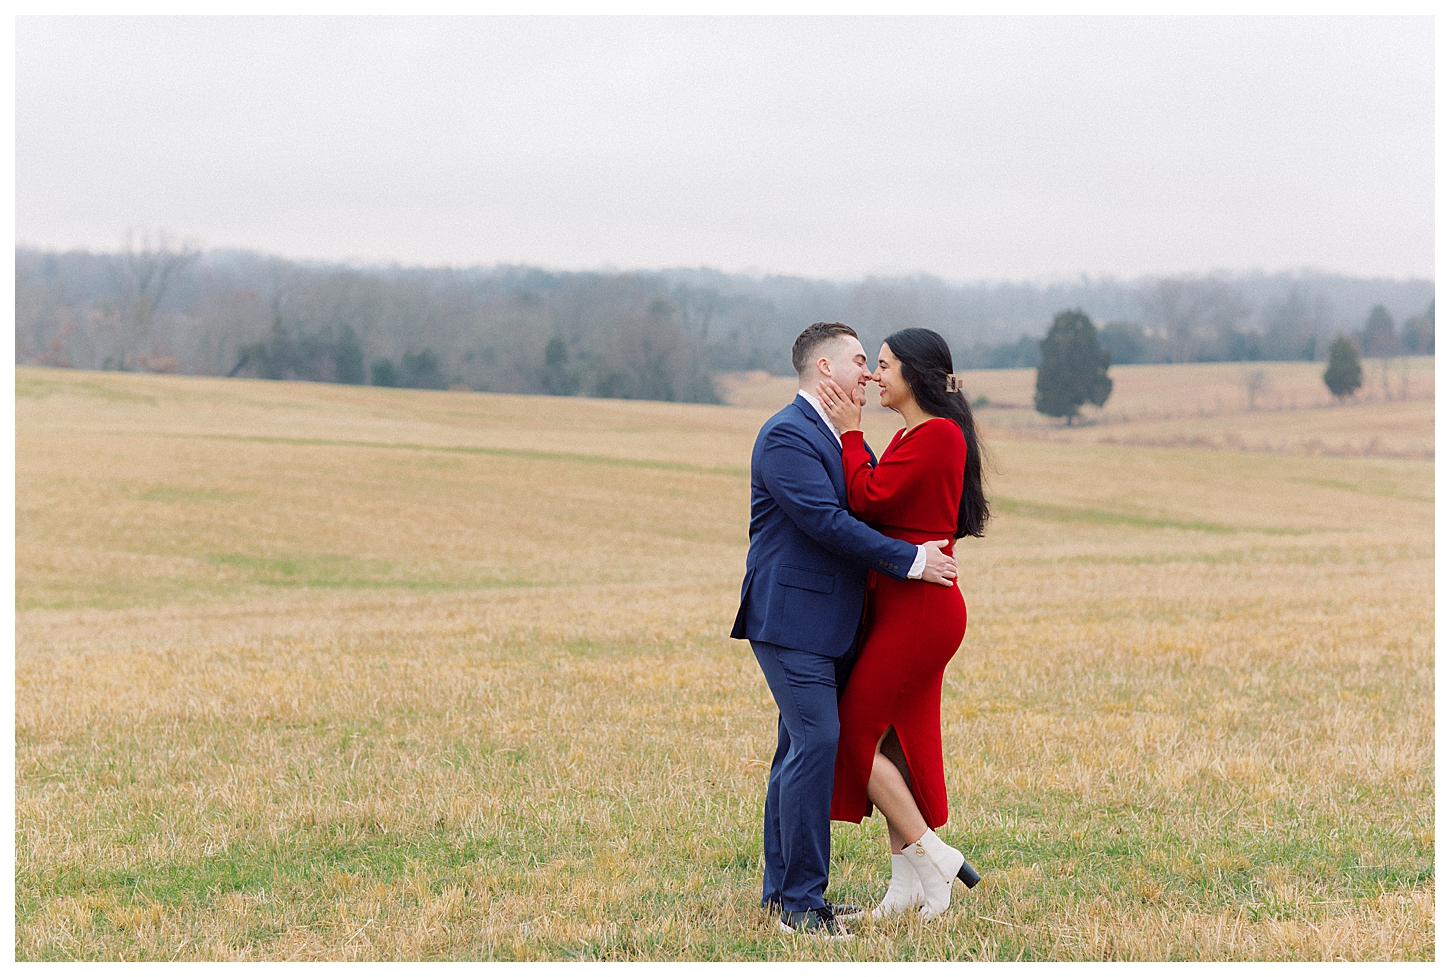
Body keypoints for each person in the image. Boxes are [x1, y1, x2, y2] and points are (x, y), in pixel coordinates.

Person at [731, 321, 959, 938]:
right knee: (819, 744)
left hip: (833, 624)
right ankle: (803, 907)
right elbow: (829, 522)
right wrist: (913, 560)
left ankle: (783, 895)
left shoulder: (834, 436)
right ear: (825, 369)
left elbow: (876, 502)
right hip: (791, 620)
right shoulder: (786, 436)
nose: (868, 372)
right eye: (860, 360)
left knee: (797, 752)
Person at [813, 326, 990, 921]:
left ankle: (933, 854)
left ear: (912, 373)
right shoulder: (921, 435)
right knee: (895, 743)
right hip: (906, 603)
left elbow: (867, 496)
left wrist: (850, 433)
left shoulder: (936, 434)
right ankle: (909, 891)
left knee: (849, 735)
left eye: (883, 366)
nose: (873, 376)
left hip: (920, 612)